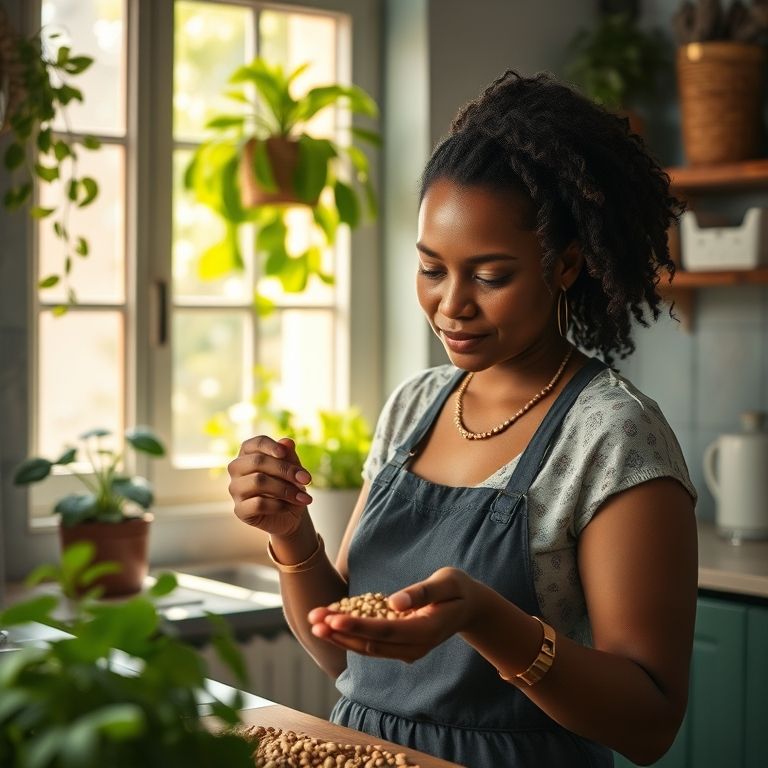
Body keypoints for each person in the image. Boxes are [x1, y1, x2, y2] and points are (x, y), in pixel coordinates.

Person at [228, 70, 698, 768]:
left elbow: (649, 724)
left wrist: (489, 621)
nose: (451, 306)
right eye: (431, 269)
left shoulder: (613, 435)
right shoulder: (414, 407)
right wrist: (291, 534)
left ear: (566, 264)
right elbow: (349, 657)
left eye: (489, 276)